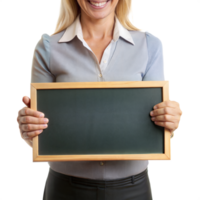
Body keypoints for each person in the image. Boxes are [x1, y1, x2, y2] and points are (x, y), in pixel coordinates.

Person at [16, 0, 184, 199]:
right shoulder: (48, 48)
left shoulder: (150, 45)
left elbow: (158, 129)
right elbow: (37, 135)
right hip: (65, 189)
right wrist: (28, 129)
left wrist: (170, 122)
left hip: (133, 190)